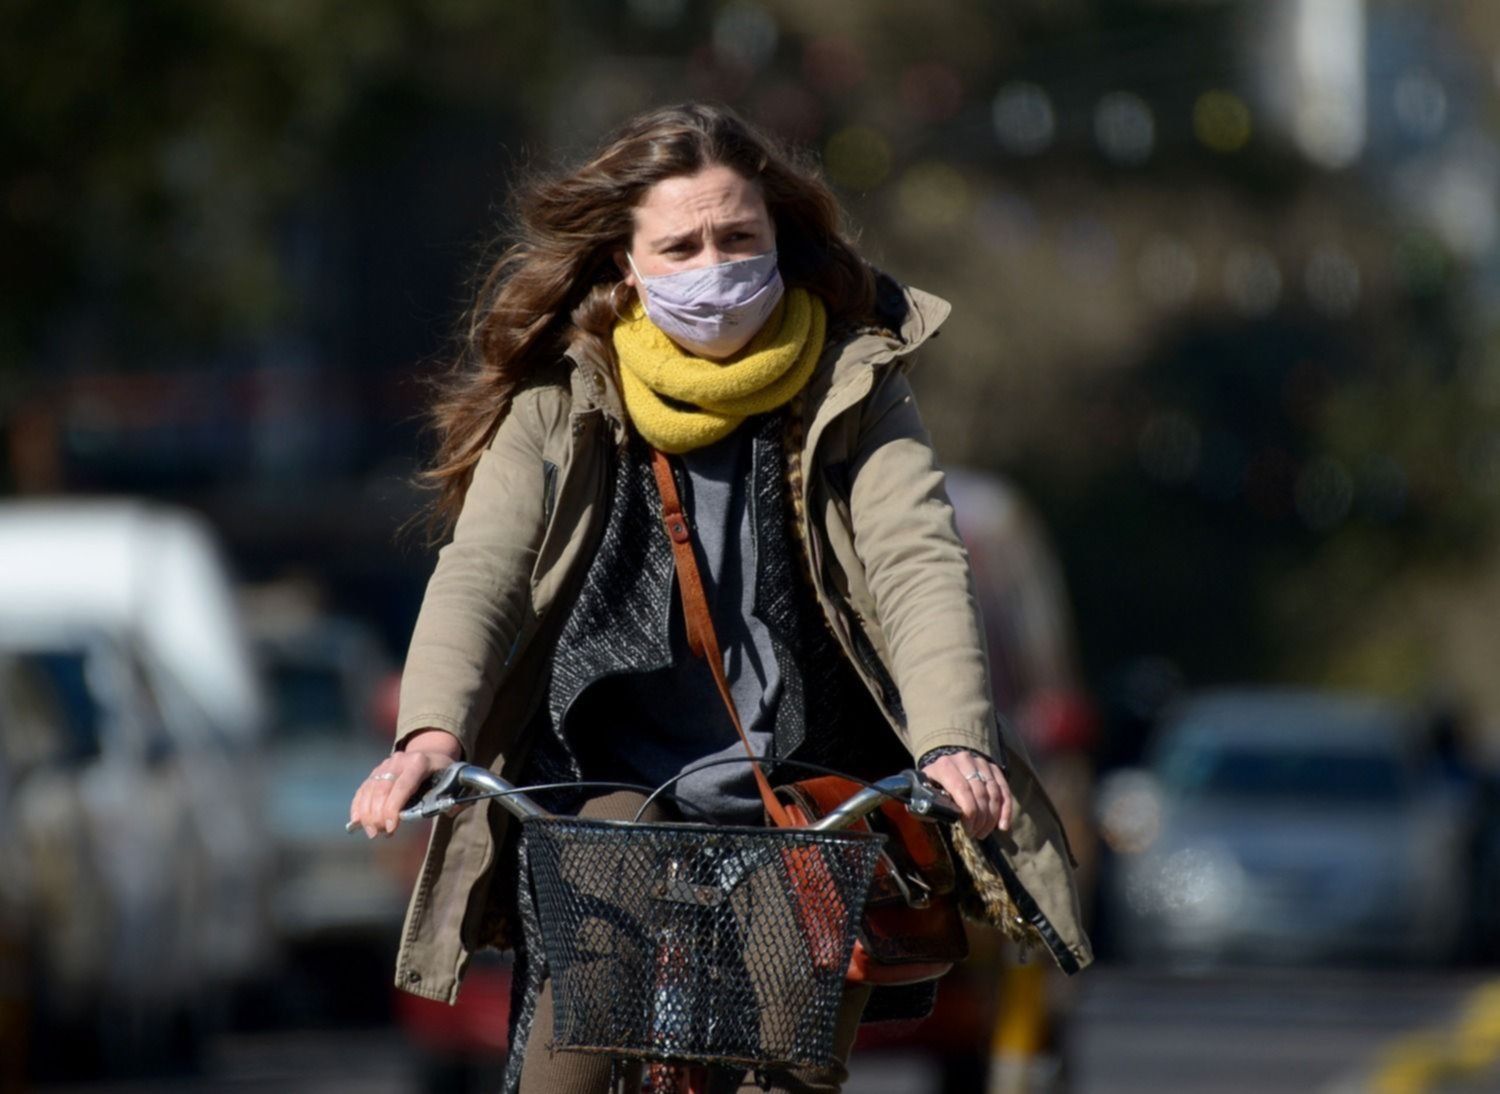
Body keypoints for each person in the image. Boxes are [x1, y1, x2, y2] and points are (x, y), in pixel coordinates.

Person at [348, 102, 1091, 1094]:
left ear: (779, 238)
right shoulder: (563, 394)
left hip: (802, 796)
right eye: (682, 244)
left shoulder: (855, 380)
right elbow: (484, 565)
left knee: (790, 1066)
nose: (714, 265)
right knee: (569, 1057)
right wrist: (432, 733)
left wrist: (950, 738)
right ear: (626, 262)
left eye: (738, 237)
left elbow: (916, 554)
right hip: (602, 781)